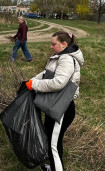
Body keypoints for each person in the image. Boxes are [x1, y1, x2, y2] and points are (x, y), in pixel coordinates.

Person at [25, 31, 84, 171]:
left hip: (61, 110)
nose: (51, 47)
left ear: (64, 44)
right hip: (54, 106)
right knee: (51, 140)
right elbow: (46, 74)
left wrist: (34, 85)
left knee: (53, 146)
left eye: (53, 44)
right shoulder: (59, 56)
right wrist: (32, 80)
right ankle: (53, 166)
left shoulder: (67, 59)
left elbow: (58, 83)